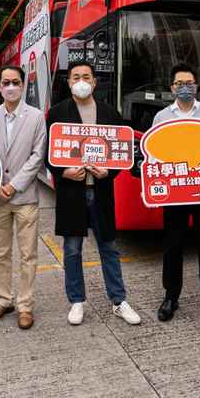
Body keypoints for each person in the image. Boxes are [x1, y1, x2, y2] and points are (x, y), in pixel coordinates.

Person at [46, 60, 141, 326]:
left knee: (108, 247)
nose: (81, 81)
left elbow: (122, 156)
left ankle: (119, 300)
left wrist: (107, 173)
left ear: (95, 81)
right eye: (76, 77)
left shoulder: (110, 113)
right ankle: (77, 301)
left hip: (100, 192)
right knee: (73, 249)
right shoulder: (57, 113)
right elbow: (48, 154)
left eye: (86, 76)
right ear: (68, 82)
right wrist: (62, 172)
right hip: (71, 193)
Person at [152, 63, 200, 326]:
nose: (185, 88)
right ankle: (171, 297)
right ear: (172, 87)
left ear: (197, 86)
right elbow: (155, 156)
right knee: (173, 246)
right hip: (174, 194)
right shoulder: (161, 117)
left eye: (190, 83)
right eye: (180, 83)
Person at [0, 65, 47, 330]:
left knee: (28, 255)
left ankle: (25, 306)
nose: (10, 87)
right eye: (6, 82)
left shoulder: (36, 116)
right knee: (1, 253)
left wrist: (15, 185)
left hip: (25, 197)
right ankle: (3, 300)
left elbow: (37, 155)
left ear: (23, 85)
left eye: (15, 82)